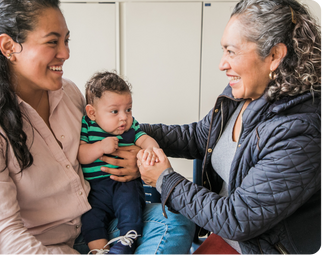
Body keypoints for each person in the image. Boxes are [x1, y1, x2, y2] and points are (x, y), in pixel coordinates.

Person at [0, 0, 195, 254]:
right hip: (33, 245)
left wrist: (135, 160)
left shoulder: (68, 92)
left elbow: (109, 132)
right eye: (52, 41)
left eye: (66, 41)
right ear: (9, 47)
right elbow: (2, 238)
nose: (65, 53)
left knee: (176, 221)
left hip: (84, 227)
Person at [137, 0, 322, 254]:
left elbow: (237, 219)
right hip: (225, 238)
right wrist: (135, 131)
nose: (222, 64)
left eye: (231, 51)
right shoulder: (244, 92)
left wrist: (164, 180)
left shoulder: (300, 132)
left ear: (274, 56)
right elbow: (200, 137)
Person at [78, 71, 159, 255]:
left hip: (124, 184)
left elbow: (145, 139)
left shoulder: (130, 128)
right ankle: (100, 250)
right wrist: (99, 147)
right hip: (95, 189)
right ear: (92, 112)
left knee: (131, 208)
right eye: (115, 111)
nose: (124, 117)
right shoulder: (87, 126)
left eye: (128, 109)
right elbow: (81, 155)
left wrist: (150, 151)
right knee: (90, 217)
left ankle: (126, 242)